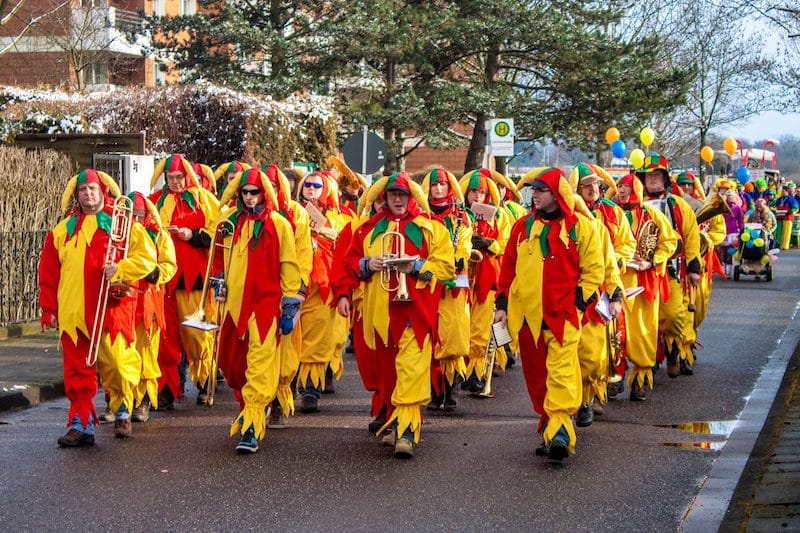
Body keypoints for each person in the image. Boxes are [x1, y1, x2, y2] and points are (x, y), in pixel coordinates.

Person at [336, 172, 454, 458]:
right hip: (380, 315)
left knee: (412, 372)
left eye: (402, 194)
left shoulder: (431, 228)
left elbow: (447, 269)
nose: (397, 199)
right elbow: (349, 261)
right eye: (392, 195)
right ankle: (395, 420)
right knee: (389, 375)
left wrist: (416, 267)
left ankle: (407, 430)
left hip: (416, 313)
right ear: (385, 198)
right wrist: (367, 264)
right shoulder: (368, 229)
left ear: (411, 197)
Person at [39, 169, 157, 446]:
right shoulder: (62, 230)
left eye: (92, 189)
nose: (87, 194)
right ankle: (81, 423)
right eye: (83, 190)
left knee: (117, 363)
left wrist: (121, 268)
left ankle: (123, 409)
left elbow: (147, 258)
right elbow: (48, 272)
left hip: (111, 308)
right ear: (76, 195)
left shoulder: (124, 224)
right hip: (74, 311)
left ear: (102, 191)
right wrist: (49, 308)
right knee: (77, 369)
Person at [494, 167, 604, 462]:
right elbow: (507, 271)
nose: (535, 195)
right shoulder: (521, 227)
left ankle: (560, 433)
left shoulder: (581, 227)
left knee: (562, 373)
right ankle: (549, 425)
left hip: (563, 316)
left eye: (541, 190)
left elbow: (594, 270)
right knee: (537, 377)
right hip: (528, 319)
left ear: (557, 194)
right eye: (534, 190)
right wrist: (502, 306)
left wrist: (578, 305)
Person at [214, 168, 302, 453]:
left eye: (255, 192)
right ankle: (249, 408)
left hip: (265, 307)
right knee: (233, 366)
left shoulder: (279, 224)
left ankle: (252, 425)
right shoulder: (228, 222)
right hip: (233, 307)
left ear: (264, 193)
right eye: (245, 193)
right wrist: (219, 283)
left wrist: (290, 304)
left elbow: (290, 265)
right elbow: (218, 259)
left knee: (260, 364)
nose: (250, 198)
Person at [148, 154, 219, 409]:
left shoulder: (205, 200)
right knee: (164, 339)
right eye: (171, 178)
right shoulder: (154, 202)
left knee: (196, 335)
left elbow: (217, 233)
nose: (176, 182)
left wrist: (194, 234)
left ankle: (205, 380)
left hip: (195, 280)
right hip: (164, 282)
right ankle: (166, 389)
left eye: (180, 177)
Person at [568, 163, 634, 425]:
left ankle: (593, 392)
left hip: (604, 287)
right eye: (586, 185)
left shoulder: (613, 212)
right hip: (571, 291)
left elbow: (626, 243)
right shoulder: (566, 214)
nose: (592, 190)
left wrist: (617, 261)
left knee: (598, 349)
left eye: (596, 185)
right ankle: (576, 402)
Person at [609, 174, 679, 400]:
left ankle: (641, 379)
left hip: (642, 281)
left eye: (626, 187)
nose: (621, 191)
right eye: (619, 186)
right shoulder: (609, 213)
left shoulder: (652, 214)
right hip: (615, 278)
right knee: (614, 332)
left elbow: (670, 241)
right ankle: (613, 376)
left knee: (642, 331)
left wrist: (653, 260)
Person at [637, 154, 701, 378]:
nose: (653, 179)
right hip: (640, 273)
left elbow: (691, 236)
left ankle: (673, 351)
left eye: (657, 175)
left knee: (674, 317)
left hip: (670, 272)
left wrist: (694, 267)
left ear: (665, 179)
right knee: (645, 322)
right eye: (649, 176)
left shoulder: (679, 206)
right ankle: (649, 360)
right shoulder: (635, 205)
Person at [261, 163, 313, 428]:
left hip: (289, 291)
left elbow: (303, 254)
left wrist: (299, 290)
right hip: (259, 292)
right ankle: (261, 402)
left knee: (288, 348)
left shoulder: (297, 214)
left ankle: (281, 399)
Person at [295, 171, 347, 412]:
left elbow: (348, 250)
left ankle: (310, 391)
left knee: (317, 340)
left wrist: (326, 237)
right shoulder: (292, 213)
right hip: (295, 283)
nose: (312, 189)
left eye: (317, 185)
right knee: (292, 337)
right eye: (308, 185)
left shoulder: (339, 218)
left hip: (323, 287)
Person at [421, 166, 471, 411]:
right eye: (434, 185)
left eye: (442, 184)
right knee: (430, 333)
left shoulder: (460, 216)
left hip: (454, 285)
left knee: (452, 335)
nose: (439, 188)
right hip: (428, 283)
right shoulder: (421, 215)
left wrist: (459, 257)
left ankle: (452, 387)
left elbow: (465, 241)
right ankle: (434, 388)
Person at [128, 192, 177, 423]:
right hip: (124, 301)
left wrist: (155, 273)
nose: (135, 220)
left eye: (139, 215)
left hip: (149, 300)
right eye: (132, 216)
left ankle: (144, 401)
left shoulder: (160, 235)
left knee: (147, 352)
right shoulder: (119, 234)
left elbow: (169, 265)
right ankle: (120, 400)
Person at [459, 169, 508, 393]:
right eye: (473, 192)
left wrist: (488, 243)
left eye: (481, 192)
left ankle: (476, 373)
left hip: (487, 278)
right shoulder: (459, 214)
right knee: (463, 325)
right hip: (464, 278)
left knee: (480, 328)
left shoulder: (499, 216)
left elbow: (505, 245)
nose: (477, 196)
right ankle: (462, 369)